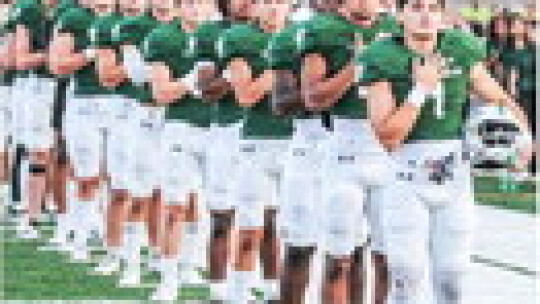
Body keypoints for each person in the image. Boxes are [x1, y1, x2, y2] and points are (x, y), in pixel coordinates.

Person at [361, 0, 532, 303]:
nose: (426, 15)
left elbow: (501, 99)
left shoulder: (460, 49)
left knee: (453, 276)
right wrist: (420, 90)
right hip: (405, 177)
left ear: (442, 14)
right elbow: (388, 137)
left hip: (454, 177)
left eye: (432, 7)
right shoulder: (382, 55)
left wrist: (524, 139)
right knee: (407, 274)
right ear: (401, 15)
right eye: (416, 7)